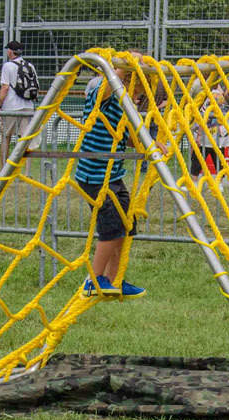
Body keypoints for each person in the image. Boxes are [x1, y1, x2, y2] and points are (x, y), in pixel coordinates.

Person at [77, 52, 148, 299]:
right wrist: (123, 67)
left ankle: (113, 279)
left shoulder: (123, 105)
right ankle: (93, 281)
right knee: (111, 226)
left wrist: (150, 145)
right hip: (95, 176)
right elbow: (107, 87)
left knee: (126, 224)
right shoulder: (103, 93)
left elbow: (128, 137)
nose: (137, 97)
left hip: (113, 175)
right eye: (137, 91)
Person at [0, 41, 38, 165]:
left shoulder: (7, 66)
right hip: (28, 106)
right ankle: (26, 171)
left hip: (11, 107)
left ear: (10, 51)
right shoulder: (30, 66)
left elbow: (5, 87)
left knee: (6, 137)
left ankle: (4, 170)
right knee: (25, 140)